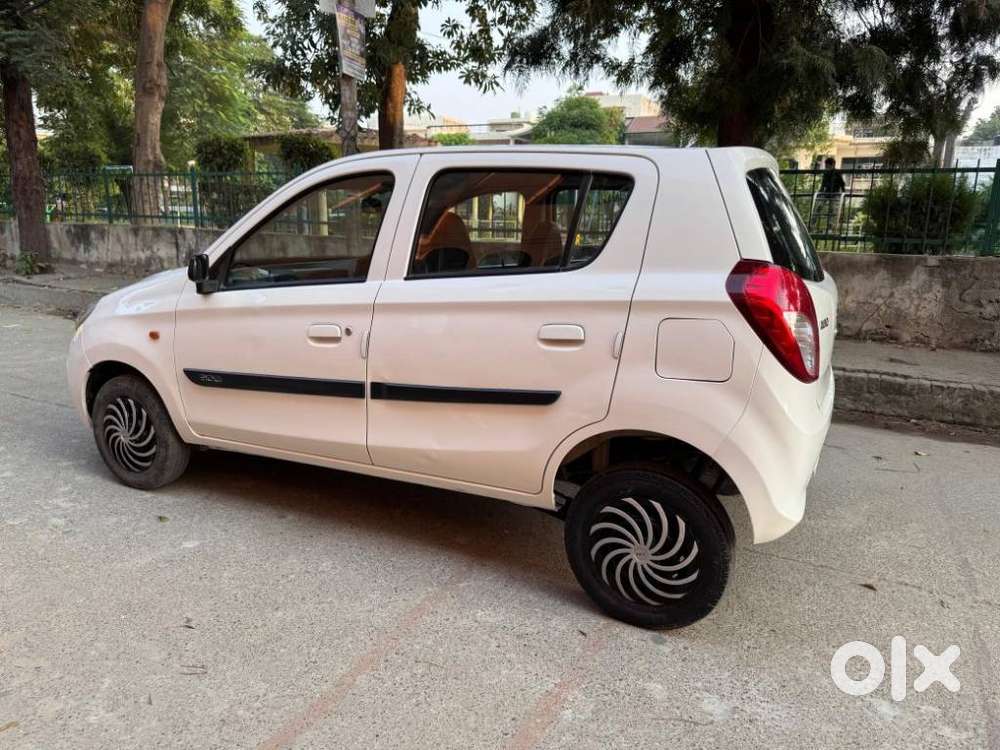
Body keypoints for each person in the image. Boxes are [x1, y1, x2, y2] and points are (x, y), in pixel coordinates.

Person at [813, 157, 845, 234]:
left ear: (832, 165)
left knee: (832, 210)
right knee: (819, 207)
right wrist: (820, 192)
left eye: (828, 166)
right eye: (826, 166)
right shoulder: (826, 173)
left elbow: (842, 184)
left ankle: (830, 227)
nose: (827, 167)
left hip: (834, 194)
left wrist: (843, 193)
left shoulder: (837, 173)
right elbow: (823, 184)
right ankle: (812, 224)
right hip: (826, 193)